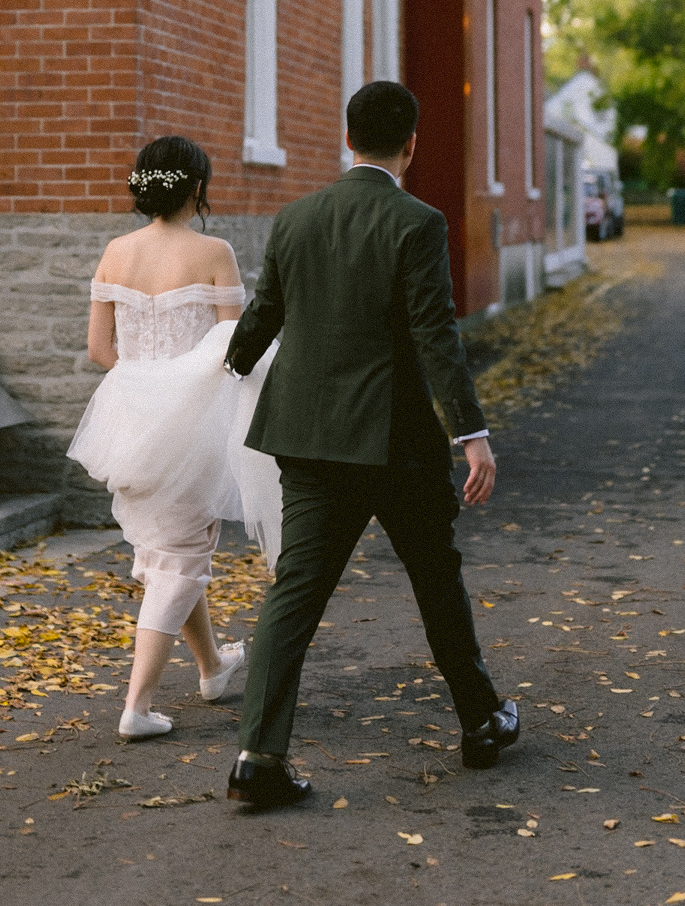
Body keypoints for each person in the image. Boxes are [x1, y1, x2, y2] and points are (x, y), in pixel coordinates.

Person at [222, 80, 519, 810]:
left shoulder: (294, 219)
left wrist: (230, 361)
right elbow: (435, 334)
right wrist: (471, 434)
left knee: (295, 591)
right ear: (410, 144)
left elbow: (264, 315)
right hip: (396, 446)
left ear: (345, 137)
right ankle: (481, 721)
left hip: (310, 439)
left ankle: (258, 756)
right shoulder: (417, 223)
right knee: (434, 577)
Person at [67, 135, 282, 741]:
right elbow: (235, 350)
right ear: (197, 188)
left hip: (129, 417)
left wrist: (148, 387)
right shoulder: (214, 251)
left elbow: (99, 350)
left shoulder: (116, 251)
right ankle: (137, 706)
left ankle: (213, 667)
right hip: (193, 424)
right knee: (180, 558)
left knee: (166, 552)